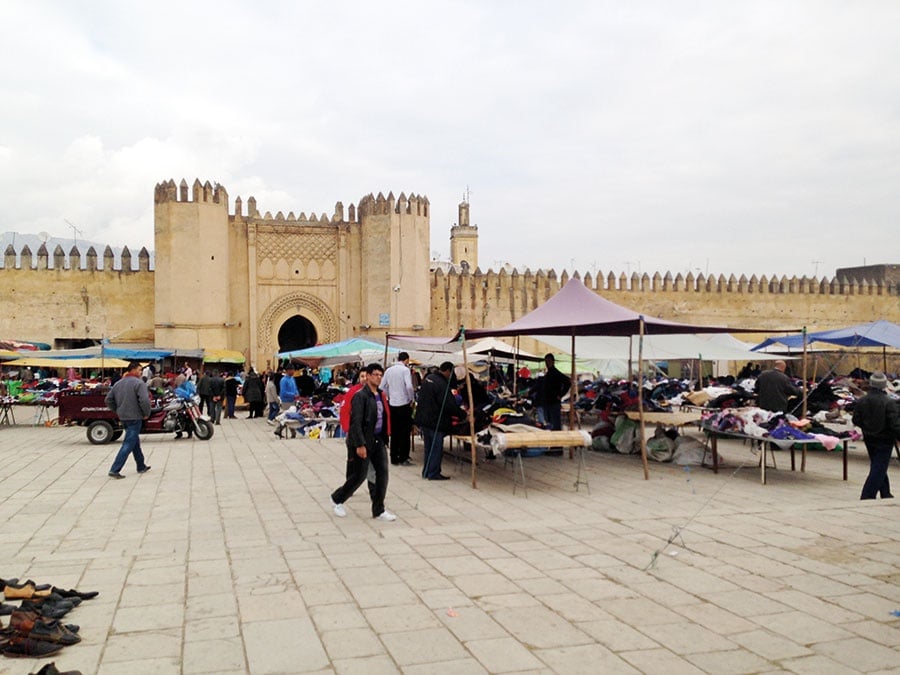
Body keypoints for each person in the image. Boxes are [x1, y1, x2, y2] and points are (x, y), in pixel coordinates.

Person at [329, 363, 396, 521]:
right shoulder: (360, 396)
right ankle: (337, 499)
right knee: (359, 475)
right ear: (368, 376)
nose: (378, 378)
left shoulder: (380, 395)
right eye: (375, 375)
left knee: (382, 475)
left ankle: (379, 510)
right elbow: (356, 422)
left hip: (378, 439)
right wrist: (360, 444)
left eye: (381, 375)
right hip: (364, 440)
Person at [415, 361, 470, 480]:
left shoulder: (429, 378)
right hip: (435, 421)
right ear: (448, 371)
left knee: (428, 448)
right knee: (436, 449)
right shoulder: (442, 384)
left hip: (424, 420)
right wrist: (463, 414)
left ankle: (426, 471)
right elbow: (448, 405)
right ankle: (433, 473)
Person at [852, 372, 900, 500]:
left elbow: (856, 420)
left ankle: (885, 492)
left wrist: (866, 427)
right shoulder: (888, 402)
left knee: (877, 464)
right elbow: (894, 424)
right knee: (879, 466)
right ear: (884, 385)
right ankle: (868, 494)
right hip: (885, 439)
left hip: (869, 437)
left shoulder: (862, 400)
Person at [105, 361, 152, 478]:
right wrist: (146, 413)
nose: (141, 372)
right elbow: (145, 400)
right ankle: (115, 469)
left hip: (124, 417)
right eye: (140, 370)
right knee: (128, 443)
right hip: (135, 417)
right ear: (134, 370)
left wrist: (117, 410)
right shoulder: (139, 384)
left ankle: (141, 465)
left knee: (134, 441)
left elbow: (108, 400)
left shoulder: (118, 384)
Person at [382, 352, 416, 466]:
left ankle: (393, 457)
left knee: (395, 431)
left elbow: (382, 387)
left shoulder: (389, 370)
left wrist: (389, 395)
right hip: (404, 403)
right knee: (405, 432)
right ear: (406, 360)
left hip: (392, 403)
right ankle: (403, 456)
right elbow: (409, 386)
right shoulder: (405, 370)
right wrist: (411, 398)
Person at [539, 353, 571, 431]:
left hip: (554, 402)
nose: (547, 363)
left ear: (553, 362)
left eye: (549, 361)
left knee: (555, 424)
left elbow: (568, 382)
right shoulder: (548, 373)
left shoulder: (556, 373)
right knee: (549, 423)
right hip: (547, 402)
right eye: (546, 361)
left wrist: (561, 394)